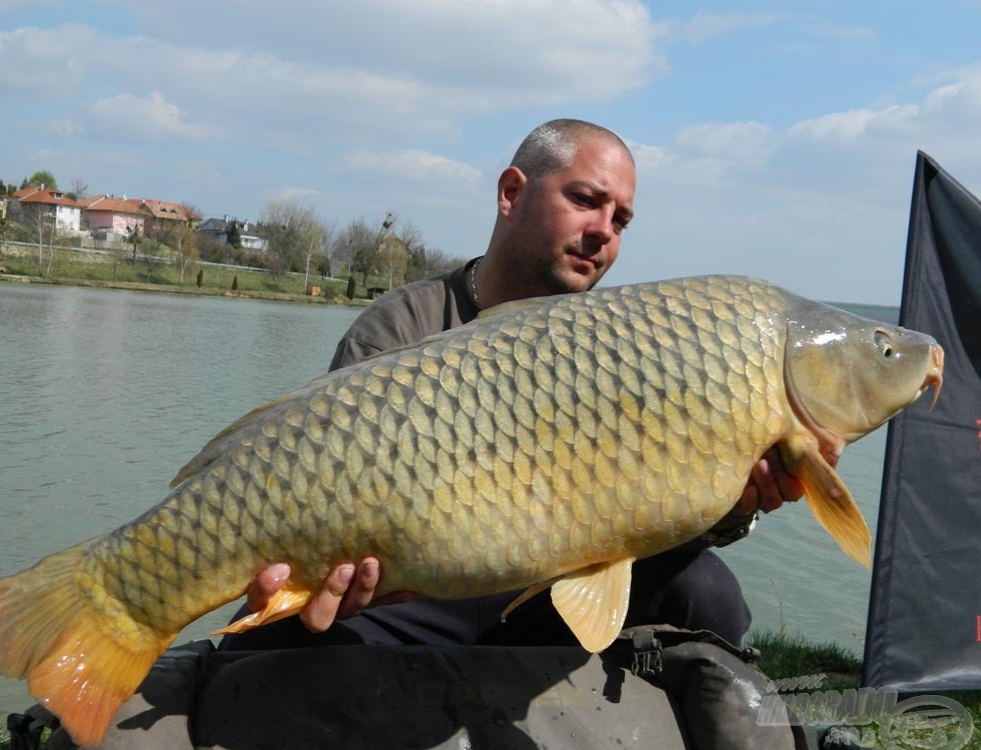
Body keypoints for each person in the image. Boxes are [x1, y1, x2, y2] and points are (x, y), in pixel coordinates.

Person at [219, 118, 804, 652]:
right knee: (282, 635)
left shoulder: (631, 348)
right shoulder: (398, 330)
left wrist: (734, 510)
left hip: (550, 592)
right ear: (511, 193)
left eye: (620, 220)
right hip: (421, 597)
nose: (603, 231)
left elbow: (650, 509)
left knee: (706, 595)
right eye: (585, 200)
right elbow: (327, 502)